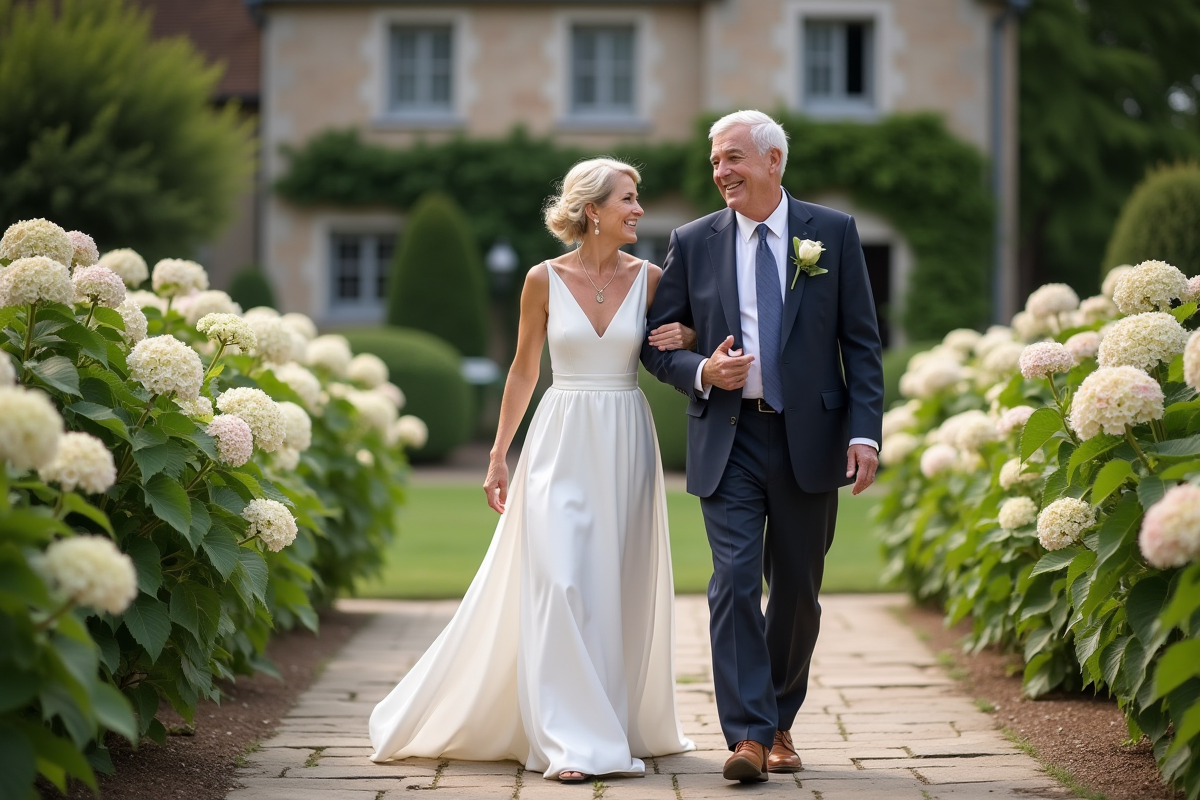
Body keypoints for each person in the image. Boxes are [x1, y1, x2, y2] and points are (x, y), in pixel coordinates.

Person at [369, 157, 696, 782]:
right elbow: (522, 371)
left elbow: (683, 341)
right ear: (592, 209)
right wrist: (498, 453)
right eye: (629, 199)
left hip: (625, 438)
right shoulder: (542, 280)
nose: (640, 210)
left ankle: (608, 717)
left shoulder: (653, 278)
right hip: (560, 438)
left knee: (613, 584)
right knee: (560, 578)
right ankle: (571, 740)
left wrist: (684, 337)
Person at [641, 110, 884, 783]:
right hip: (729, 437)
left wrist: (865, 433)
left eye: (734, 158)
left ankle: (779, 718)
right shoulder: (693, 241)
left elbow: (860, 342)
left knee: (799, 590)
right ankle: (749, 735)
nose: (722, 171)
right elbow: (656, 343)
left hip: (813, 439)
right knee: (734, 583)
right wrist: (700, 370)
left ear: (774, 161)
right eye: (716, 160)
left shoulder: (832, 233)